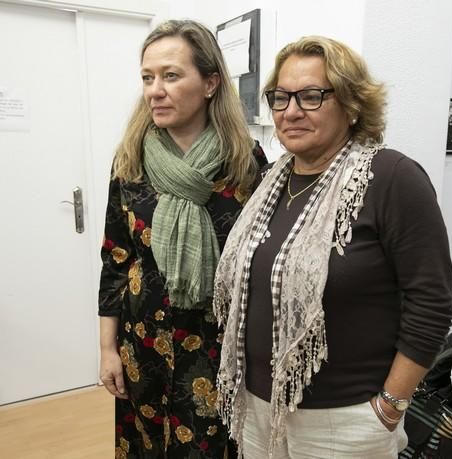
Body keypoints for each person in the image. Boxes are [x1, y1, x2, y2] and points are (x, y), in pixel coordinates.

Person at [214, 36, 452, 458]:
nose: (290, 111)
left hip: (344, 421)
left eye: (311, 96)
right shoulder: (271, 180)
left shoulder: (392, 178)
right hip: (257, 408)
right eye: (281, 97)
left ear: (351, 102)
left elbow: (431, 303)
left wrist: (390, 407)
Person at [98, 19, 266, 458]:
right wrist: (106, 350)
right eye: (148, 77)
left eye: (171, 75)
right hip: (143, 344)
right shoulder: (131, 160)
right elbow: (115, 260)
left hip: (217, 348)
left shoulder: (245, 163)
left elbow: (258, 261)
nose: (155, 89)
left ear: (210, 82)